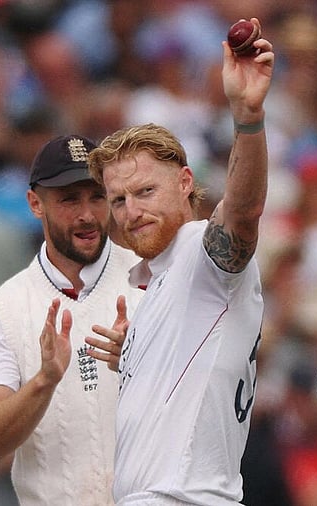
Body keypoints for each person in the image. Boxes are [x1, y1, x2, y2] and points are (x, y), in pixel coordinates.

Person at [85, 20, 273, 505]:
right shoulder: (160, 288)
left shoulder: (198, 251)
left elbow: (244, 210)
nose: (132, 211)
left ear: (186, 181)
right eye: (119, 199)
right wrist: (140, 350)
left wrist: (247, 117)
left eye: (146, 191)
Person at [0, 134, 144, 505]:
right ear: (35, 203)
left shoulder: (151, 280)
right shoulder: (1, 308)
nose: (87, 214)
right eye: (69, 199)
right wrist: (44, 382)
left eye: (97, 195)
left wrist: (144, 361)